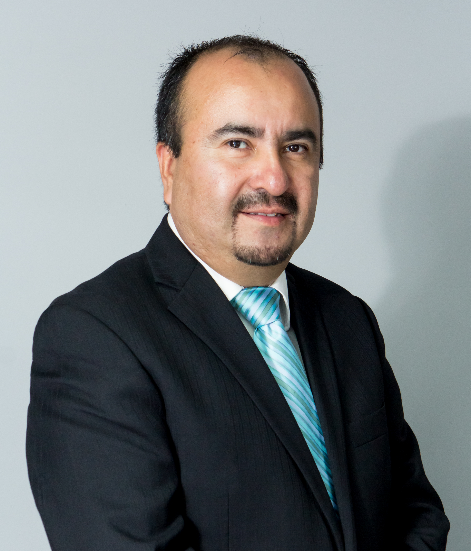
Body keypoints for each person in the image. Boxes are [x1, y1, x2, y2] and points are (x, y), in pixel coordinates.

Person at [26, 35, 449, 551]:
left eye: (296, 147)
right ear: (169, 165)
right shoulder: (94, 336)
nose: (274, 178)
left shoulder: (348, 320)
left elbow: (417, 515)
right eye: (237, 143)